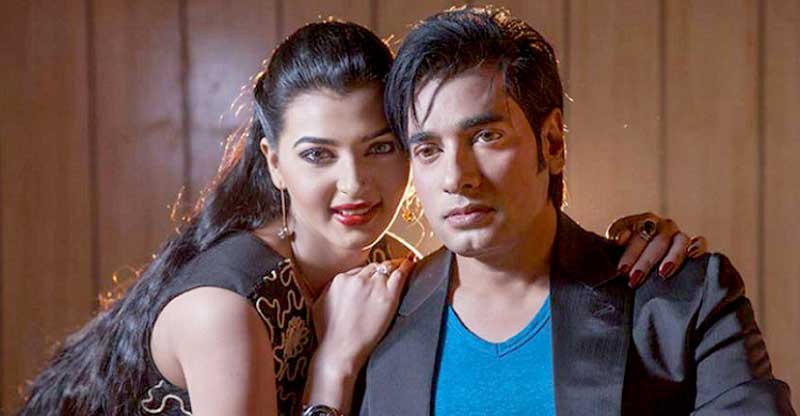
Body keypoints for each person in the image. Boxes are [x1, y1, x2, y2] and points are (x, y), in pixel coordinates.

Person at [18, 20, 700, 416]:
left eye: (381, 147)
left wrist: (629, 246)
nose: (355, 185)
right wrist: (333, 368)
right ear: (273, 162)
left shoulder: (386, 263)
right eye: (318, 155)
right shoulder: (225, 311)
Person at [350, 6, 796, 416]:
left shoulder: (681, 299)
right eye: (428, 149)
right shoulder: (374, 318)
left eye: (486, 137)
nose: (456, 176)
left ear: (552, 143)